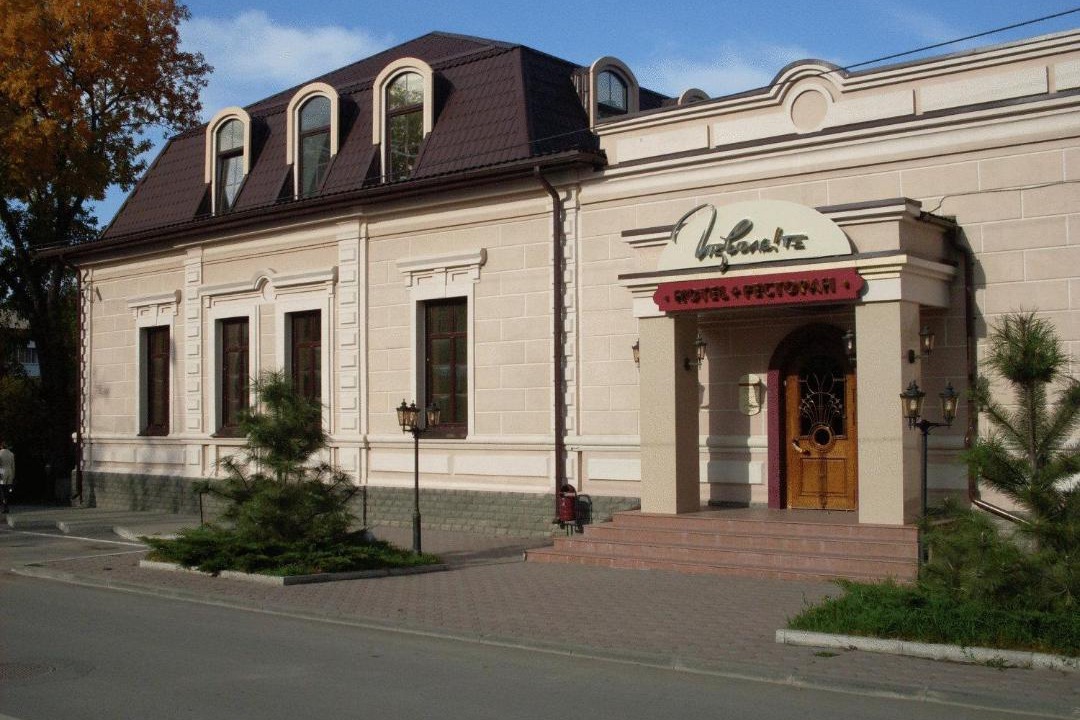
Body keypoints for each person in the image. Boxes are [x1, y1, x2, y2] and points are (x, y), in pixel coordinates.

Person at [0, 439, 14, 514]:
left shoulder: (0, 453)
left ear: (1, 446)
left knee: (2, 490)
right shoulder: (11, 454)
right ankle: (7, 505)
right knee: (7, 490)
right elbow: (13, 466)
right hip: (10, 473)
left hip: (2, 472)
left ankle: (5, 506)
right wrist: (13, 475)